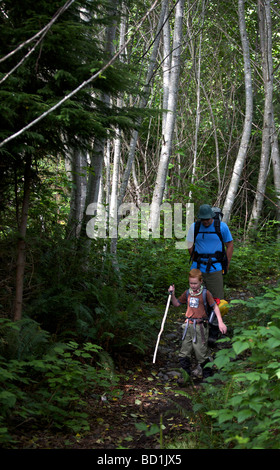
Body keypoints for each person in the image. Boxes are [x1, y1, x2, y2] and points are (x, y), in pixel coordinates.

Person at [168, 269, 227, 382]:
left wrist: (220, 322)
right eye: (191, 283)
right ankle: (185, 376)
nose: (193, 285)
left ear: (201, 281)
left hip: (200, 326)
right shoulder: (187, 293)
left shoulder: (206, 293)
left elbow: (215, 307)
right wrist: (172, 294)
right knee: (184, 352)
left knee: (201, 353)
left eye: (195, 283)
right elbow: (176, 304)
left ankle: (208, 377)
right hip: (188, 326)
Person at [187, 204, 233, 344]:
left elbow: (229, 245)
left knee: (218, 301)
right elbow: (189, 244)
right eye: (203, 219)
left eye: (207, 219)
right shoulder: (194, 227)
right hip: (198, 268)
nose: (205, 222)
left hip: (215, 268)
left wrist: (226, 263)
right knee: (196, 298)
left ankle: (214, 330)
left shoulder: (222, 227)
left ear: (212, 217)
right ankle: (198, 327)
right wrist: (196, 257)